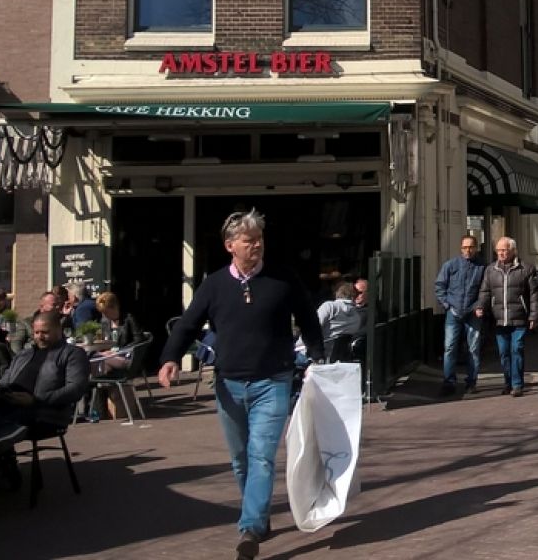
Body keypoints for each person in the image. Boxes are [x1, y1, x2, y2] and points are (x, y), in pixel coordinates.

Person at [158, 209, 325, 560]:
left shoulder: (283, 279)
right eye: (249, 241)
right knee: (240, 460)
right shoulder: (214, 285)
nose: (257, 246)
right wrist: (170, 358)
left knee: (261, 456)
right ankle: (259, 516)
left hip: (273, 381)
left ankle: (249, 528)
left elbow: (308, 316)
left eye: (260, 240)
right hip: (229, 384)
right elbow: (188, 324)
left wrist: (316, 353)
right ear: (230, 246)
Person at [0, 310, 90, 532]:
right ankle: (2, 429)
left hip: (41, 411)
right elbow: (6, 379)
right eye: (36, 332)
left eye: (45, 333)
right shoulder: (24, 354)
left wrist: (35, 400)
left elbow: (75, 389)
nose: (39, 337)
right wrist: (0, 391)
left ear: (59, 330)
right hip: (8, 407)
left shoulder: (71, 354)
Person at [476, 237, 538, 397]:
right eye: (498, 250)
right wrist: (480, 306)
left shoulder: (526, 269)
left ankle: (517, 385)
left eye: (504, 250)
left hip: (519, 317)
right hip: (499, 319)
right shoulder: (491, 270)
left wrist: (534, 316)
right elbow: (485, 291)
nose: (501, 253)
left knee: (516, 349)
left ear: (513, 250)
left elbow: (534, 295)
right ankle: (508, 382)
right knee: (504, 353)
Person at [433, 235, 486, 396]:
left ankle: (471, 382)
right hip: (453, 312)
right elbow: (439, 286)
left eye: (470, 247)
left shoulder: (482, 267)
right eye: (464, 247)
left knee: (473, 349)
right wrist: (447, 305)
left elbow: (485, 290)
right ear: (460, 248)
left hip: (473, 313)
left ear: (476, 248)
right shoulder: (451, 265)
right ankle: (449, 382)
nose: (467, 250)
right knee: (449, 348)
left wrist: (479, 305)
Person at [86, 291, 144, 422]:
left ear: (114, 307)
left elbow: (139, 339)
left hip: (127, 357)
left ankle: (94, 411)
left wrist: (117, 351)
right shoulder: (105, 321)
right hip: (110, 359)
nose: (105, 315)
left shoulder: (128, 319)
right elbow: (104, 340)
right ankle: (98, 411)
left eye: (106, 312)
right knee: (96, 366)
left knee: (95, 365)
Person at [315, 282, 364, 361]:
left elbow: (313, 328)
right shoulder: (357, 316)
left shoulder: (329, 306)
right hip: (339, 357)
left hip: (318, 354)